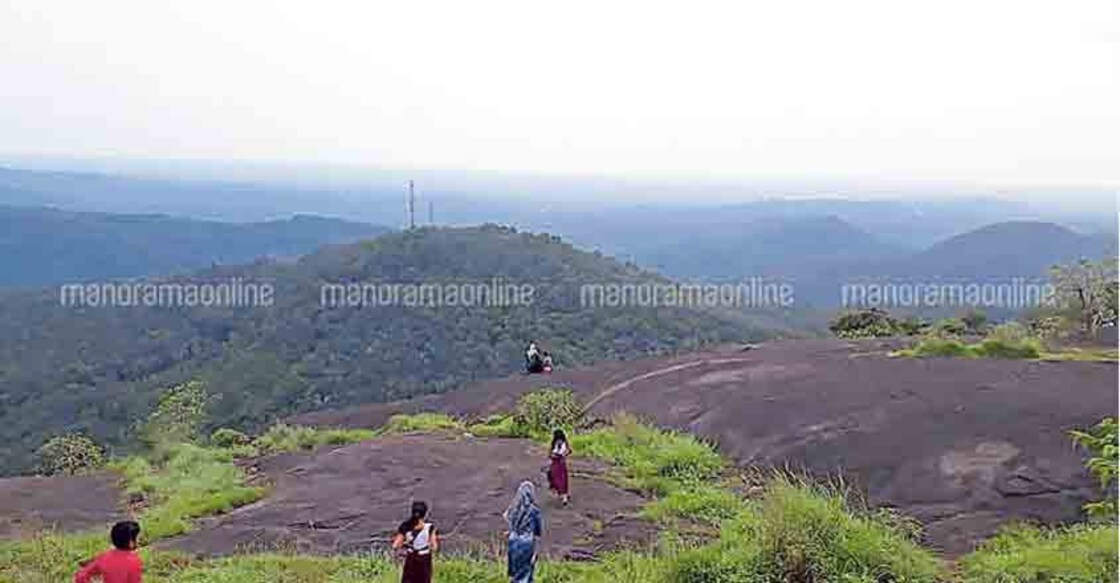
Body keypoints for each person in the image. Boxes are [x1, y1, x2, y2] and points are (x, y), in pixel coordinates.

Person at [74, 520, 143, 583]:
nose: (139, 540)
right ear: (131, 542)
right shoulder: (135, 561)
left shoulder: (104, 557)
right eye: (137, 538)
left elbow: (80, 576)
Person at [504, 481, 542, 583]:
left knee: (515, 569)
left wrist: (512, 530)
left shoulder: (513, 509)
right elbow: (538, 530)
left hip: (513, 540)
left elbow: (507, 517)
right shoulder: (534, 510)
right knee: (526, 570)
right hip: (527, 541)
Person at [392, 501, 438, 583]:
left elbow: (395, 546)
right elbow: (434, 547)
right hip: (424, 559)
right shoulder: (430, 527)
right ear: (425, 514)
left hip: (411, 558)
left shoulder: (405, 526)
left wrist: (406, 544)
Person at [547, 429, 571, 505]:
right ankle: (563, 494)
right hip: (558, 462)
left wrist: (559, 455)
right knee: (559, 478)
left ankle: (563, 494)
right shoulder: (560, 443)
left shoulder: (559, 443)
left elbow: (568, 451)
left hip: (558, 462)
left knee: (559, 479)